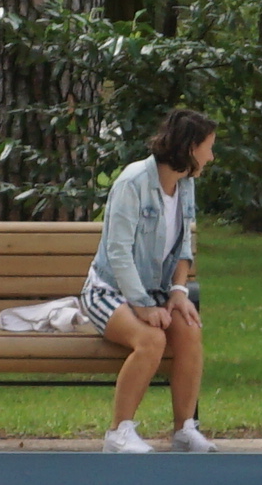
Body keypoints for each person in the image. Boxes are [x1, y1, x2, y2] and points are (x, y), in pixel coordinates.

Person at [89, 109, 216, 453]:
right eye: (208, 147)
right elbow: (117, 253)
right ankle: (118, 433)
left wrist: (178, 291)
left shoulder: (185, 184)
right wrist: (143, 306)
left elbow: (184, 246)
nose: (211, 156)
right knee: (151, 340)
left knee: (189, 329)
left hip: (156, 292)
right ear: (190, 148)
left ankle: (184, 430)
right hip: (109, 291)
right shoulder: (132, 183)